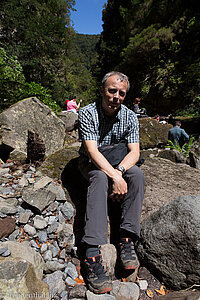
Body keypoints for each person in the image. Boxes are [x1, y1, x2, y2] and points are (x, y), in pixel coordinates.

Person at [78, 71, 145, 294]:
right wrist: (115, 177)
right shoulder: (87, 113)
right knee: (98, 177)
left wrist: (121, 171)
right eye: (112, 90)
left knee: (137, 175)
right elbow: (91, 150)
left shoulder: (129, 116)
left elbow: (134, 152)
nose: (116, 96)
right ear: (102, 90)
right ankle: (92, 251)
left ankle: (126, 238)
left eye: (121, 93)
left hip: (118, 161)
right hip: (92, 162)